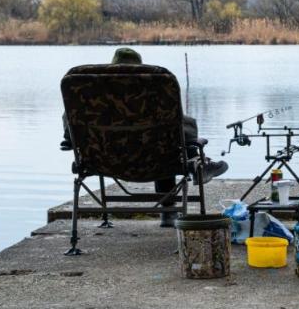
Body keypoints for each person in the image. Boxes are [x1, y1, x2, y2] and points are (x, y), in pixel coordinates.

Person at [61, 48, 228, 227]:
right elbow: (178, 127)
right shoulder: (156, 88)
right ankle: (174, 203)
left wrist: (70, 138)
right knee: (169, 139)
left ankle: (193, 162)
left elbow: (70, 129)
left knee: (166, 137)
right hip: (155, 161)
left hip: (102, 161)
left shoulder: (86, 91)